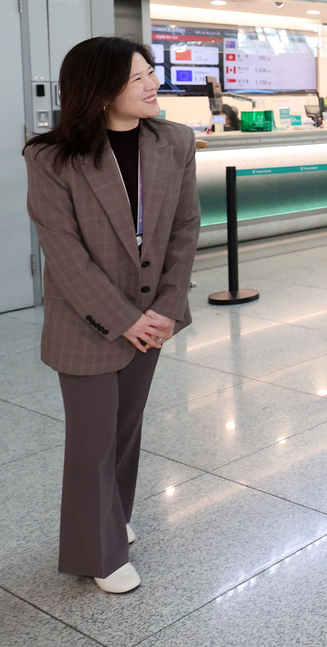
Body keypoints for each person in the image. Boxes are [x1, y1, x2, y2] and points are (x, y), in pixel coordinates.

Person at [23, 37, 201, 594]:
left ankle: (113, 519)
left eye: (151, 73)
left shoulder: (173, 141)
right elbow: (65, 253)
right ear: (100, 92)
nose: (154, 85)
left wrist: (168, 307)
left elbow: (184, 230)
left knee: (125, 430)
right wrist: (125, 319)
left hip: (153, 316)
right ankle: (98, 553)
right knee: (93, 438)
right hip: (88, 320)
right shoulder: (52, 158)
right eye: (137, 78)